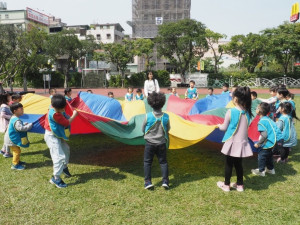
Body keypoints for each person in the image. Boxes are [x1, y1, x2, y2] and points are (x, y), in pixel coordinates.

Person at [217, 87, 253, 192]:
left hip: (232, 142)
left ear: (235, 99)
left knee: (229, 164)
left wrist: (218, 125)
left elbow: (224, 128)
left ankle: (226, 185)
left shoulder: (231, 111)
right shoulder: (247, 113)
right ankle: (240, 185)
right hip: (242, 143)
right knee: (238, 164)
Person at [44, 94, 78, 188]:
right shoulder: (55, 114)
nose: (62, 110)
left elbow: (61, 100)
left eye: (63, 108)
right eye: (61, 109)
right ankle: (56, 178)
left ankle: (64, 167)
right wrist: (74, 115)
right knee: (58, 157)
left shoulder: (55, 105)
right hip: (51, 137)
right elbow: (67, 122)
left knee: (66, 149)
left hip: (56, 135)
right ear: (54, 107)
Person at [142, 92, 170, 190]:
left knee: (147, 162)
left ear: (151, 104)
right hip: (161, 143)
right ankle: (165, 181)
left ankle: (148, 182)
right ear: (162, 103)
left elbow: (143, 128)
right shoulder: (166, 116)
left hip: (149, 143)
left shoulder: (148, 116)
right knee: (163, 162)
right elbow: (168, 129)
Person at [251, 102, 283, 176]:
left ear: (259, 110)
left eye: (257, 108)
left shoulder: (261, 122)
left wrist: (258, 144)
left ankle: (261, 171)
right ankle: (270, 169)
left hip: (272, 141)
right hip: (279, 140)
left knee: (262, 155)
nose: (256, 109)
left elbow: (264, 135)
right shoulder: (268, 119)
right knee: (268, 155)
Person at [4, 103, 33, 170]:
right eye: (21, 109)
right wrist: (29, 126)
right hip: (11, 139)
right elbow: (20, 128)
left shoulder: (14, 117)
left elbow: (18, 125)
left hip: (10, 138)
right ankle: (15, 165)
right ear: (15, 111)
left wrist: (24, 124)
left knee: (17, 150)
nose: (23, 110)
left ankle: (17, 161)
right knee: (16, 151)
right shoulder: (16, 120)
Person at [0, 93, 13, 157]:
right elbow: (2, 115)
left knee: (6, 137)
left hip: (7, 123)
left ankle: (3, 150)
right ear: (5, 98)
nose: (10, 98)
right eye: (8, 97)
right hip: (6, 124)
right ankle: (7, 152)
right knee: (9, 138)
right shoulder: (4, 106)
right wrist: (10, 117)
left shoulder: (5, 105)